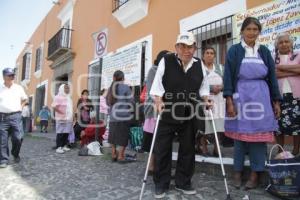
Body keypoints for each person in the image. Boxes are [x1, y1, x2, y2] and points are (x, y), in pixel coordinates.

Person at [150, 32, 211, 198]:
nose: (186, 50)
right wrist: (158, 100)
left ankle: (183, 181)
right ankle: (161, 183)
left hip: (189, 112)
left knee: (188, 148)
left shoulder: (199, 65)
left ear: (195, 48)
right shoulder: (167, 61)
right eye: (182, 46)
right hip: (168, 111)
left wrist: (206, 99)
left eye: (190, 46)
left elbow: (204, 87)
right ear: (176, 47)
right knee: (162, 148)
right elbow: (157, 85)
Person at [223, 17, 281, 190]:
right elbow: (228, 76)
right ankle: (237, 172)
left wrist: (276, 101)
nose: (252, 32)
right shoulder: (234, 50)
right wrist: (229, 101)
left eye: (255, 29)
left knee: (258, 138)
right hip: (241, 96)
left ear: (259, 32)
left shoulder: (264, 51)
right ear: (242, 31)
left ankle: (256, 173)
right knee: (240, 138)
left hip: (262, 97)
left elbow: (272, 77)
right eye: (248, 29)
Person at [142, 50, 170, 174]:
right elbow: (152, 91)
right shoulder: (154, 70)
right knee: (154, 139)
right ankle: (152, 166)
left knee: (159, 139)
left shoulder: (167, 71)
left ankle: (154, 166)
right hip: (154, 109)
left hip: (162, 109)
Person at [274, 32, 300, 156]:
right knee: (278, 125)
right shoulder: (273, 58)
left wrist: (281, 68)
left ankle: (296, 150)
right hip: (278, 97)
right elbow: (273, 74)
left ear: (291, 43)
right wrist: (293, 71)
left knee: (297, 124)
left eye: (286, 41)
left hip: (296, 95)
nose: (284, 44)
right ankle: (280, 150)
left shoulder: (298, 55)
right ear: (277, 45)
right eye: (281, 42)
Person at [197, 46, 225, 157]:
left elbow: (226, 81)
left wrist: (221, 88)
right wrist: (211, 88)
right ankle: (204, 148)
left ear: (214, 56)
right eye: (207, 53)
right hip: (204, 100)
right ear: (203, 56)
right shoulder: (199, 69)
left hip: (219, 100)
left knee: (218, 126)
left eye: (212, 53)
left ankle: (216, 148)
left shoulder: (220, 68)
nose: (209, 55)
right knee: (205, 126)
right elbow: (197, 85)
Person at [0, 68, 28, 168]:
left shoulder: (18, 88)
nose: (12, 77)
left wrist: (21, 106)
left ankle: (15, 154)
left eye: (13, 75)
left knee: (18, 137)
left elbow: (25, 99)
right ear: (4, 77)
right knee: (2, 140)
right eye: (10, 75)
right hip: (2, 117)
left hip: (16, 116)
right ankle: (3, 160)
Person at [106, 70, 133, 162]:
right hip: (124, 116)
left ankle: (113, 154)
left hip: (113, 117)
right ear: (123, 78)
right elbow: (131, 102)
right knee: (123, 136)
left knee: (113, 136)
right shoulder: (126, 87)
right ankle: (121, 156)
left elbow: (107, 102)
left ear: (114, 78)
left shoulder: (110, 89)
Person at [51, 84, 73, 154]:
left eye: (68, 88)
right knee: (60, 132)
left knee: (66, 132)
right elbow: (54, 106)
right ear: (61, 89)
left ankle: (63, 146)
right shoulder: (58, 97)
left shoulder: (68, 97)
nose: (67, 90)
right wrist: (61, 112)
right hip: (61, 118)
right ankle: (58, 147)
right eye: (66, 88)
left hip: (68, 118)